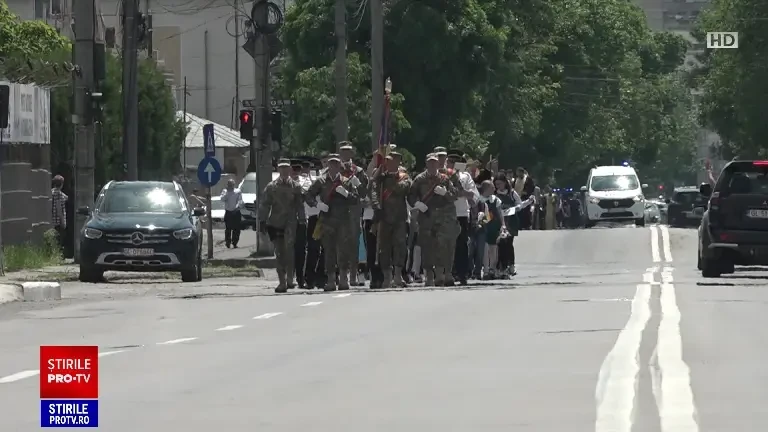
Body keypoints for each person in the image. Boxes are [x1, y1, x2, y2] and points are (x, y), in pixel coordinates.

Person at [305, 153, 360, 291]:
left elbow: (356, 199)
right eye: (331, 164)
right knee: (328, 250)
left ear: (340, 166)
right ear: (328, 165)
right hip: (327, 221)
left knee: (343, 250)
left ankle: (343, 278)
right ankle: (330, 279)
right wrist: (317, 205)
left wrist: (346, 194)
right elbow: (308, 195)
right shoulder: (321, 181)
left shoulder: (346, 181)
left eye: (336, 164)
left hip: (343, 221)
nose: (334, 166)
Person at [408, 153, 459, 286]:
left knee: (444, 246)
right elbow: (411, 195)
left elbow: (455, 195)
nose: (432, 165)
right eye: (430, 162)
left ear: (438, 164)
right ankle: (430, 276)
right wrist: (418, 204)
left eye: (434, 162)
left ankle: (444, 274)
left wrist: (445, 193)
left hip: (444, 217)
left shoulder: (445, 179)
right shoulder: (419, 179)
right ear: (426, 164)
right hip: (427, 217)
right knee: (427, 247)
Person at [258, 159, 306, 292]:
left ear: (290, 170)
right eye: (282, 168)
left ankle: (290, 278)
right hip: (275, 223)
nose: (284, 171)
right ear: (278, 170)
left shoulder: (295, 186)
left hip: (291, 222)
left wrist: (302, 220)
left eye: (286, 168)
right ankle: (282, 281)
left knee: (289, 250)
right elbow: (264, 205)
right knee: (279, 253)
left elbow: (299, 205)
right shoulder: (271, 187)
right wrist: (262, 221)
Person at [371, 154, 412, 288]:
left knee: (400, 247)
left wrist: (389, 178)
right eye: (387, 160)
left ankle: (398, 275)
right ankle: (387, 277)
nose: (388, 162)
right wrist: (376, 206)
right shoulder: (380, 177)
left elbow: (402, 189)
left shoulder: (403, 176)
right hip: (384, 217)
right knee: (384, 248)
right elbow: (373, 191)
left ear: (398, 161)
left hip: (399, 217)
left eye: (391, 160)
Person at [446, 151, 479, 285]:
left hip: (461, 214)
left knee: (461, 245)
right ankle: (448, 272)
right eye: (450, 161)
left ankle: (461, 273)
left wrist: (461, 192)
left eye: (455, 161)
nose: (452, 164)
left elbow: (473, 195)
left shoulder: (465, 177)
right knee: (447, 244)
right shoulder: (443, 174)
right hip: (446, 213)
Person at [340, 143, 369, 286]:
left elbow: (365, 193)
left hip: (354, 211)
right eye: (343, 152)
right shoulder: (335, 169)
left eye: (348, 152)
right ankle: (342, 276)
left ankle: (353, 276)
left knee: (353, 244)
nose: (345, 155)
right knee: (340, 245)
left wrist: (358, 184)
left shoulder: (358, 171)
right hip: (338, 212)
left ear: (352, 154)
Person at [291, 160, 313, 288]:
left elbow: (307, 194)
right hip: (286, 220)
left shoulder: (305, 182)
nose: (296, 171)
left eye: (298, 169)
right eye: (294, 169)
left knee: (300, 250)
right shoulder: (282, 183)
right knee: (287, 251)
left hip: (301, 220)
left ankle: (300, 278)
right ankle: (288, 277)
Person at [477, 180, 504, 279]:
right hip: (483, 228)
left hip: (494, 226)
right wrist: (481, 223)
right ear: (486, 189)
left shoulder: (495, 200)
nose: (494, 189)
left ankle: (492, 269)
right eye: (492, 187)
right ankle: (485, 270)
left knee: (493, 248)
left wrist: (503, 225)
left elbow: (500, 213)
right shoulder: (479, 200)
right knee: (484, 249)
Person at [220, 179, 244, 248]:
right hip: (228, 212)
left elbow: (240, 200)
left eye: (232, 184)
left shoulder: (237, 191)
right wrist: (227, 193)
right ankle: (228, 242)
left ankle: (235, 242)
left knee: (237, 229)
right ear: (227, 185)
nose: (231, 186)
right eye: (229, 184)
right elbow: (222, 199)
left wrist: (237, 207)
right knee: (228, 229)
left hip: (236, 212)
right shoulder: (225, 191)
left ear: (234, 184)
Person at [51, 175, 68, 252]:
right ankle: (58, 255)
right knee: (59, 240)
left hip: (51, 221)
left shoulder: (50, 192)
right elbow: (59, 208)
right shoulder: (60, 194)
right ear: (61, 184)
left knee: (53, 240)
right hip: (58, 222)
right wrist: (63, 222)